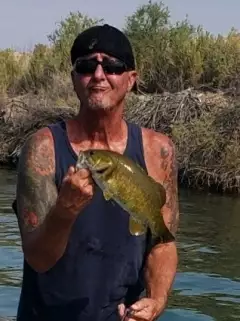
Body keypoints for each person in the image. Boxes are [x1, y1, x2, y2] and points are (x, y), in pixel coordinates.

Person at [13, 24, 179, 321]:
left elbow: (163, 242)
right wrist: (64, 211)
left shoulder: (159, 151)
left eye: (113, 66)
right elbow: (38, 258)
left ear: (131, 80)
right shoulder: (42, 149)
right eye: (87, 65)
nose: (99, 75)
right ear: (74, 78)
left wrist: (156, 301)